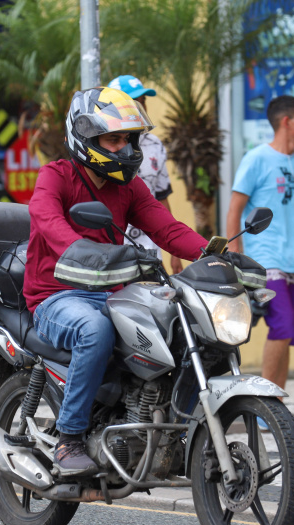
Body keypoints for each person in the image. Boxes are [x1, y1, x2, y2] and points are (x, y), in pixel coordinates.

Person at [25, 87, 208, 476]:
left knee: (183, 328)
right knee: (94, 330)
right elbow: (47, 220)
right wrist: (80, 250)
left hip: (112, 292)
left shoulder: (129, 186)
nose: (124, 149)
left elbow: (169, 230)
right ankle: (69, 438)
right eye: (114, 139)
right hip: (56, 296)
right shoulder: (55, 176)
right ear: (88, 139)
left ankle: (171, 430)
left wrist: (215, 254)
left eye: (128, 139)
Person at [225, 95, 294, 431]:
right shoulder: (256, 159)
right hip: (266, 260)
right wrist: (236, 258)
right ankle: (265, 408)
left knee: (292, 331)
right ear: (286, 121)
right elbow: (235, 210)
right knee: (281, 326)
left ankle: (278, 407)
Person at [107, 75, 184, 275]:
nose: (141, 107)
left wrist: (174, 251)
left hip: (150, 250)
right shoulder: (102, 147)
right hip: (114, 251)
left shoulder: (155, 144)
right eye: (134, 102)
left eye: (143, 102)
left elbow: (162, 198)